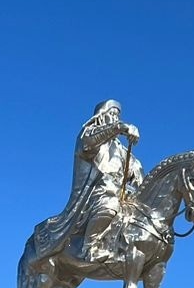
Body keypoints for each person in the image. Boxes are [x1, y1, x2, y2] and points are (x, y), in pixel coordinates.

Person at [32, 99, 143, 267]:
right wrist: (119, 128)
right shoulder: (88, 135)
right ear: (102, 115)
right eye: (111, 114)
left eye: (117, 116)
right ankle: (90, 247)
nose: (115, 118)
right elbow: (89, 144)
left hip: (121, 195)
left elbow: (136, 173)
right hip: (97, 192)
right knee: (109, 205)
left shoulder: (120, 149)